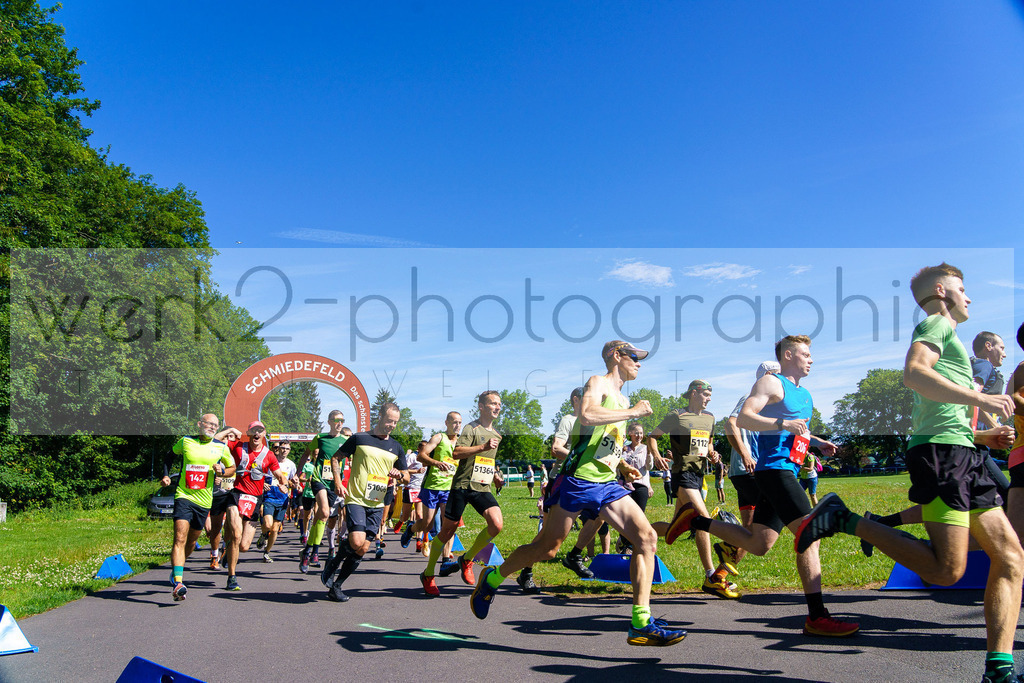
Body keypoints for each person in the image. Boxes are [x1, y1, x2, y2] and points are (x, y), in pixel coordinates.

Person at [796, 265, 1023, 680]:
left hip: (962, 451)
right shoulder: (936, 322)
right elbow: (915, 373)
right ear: (942, 290)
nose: (969, 297)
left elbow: (942, 408)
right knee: (944, 571)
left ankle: (1000, 668)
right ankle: (842, 518)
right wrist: (980, 396)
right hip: (941, 455)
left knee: (1010, 556)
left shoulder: (949, 334)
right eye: (963, 288)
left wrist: (982, 436)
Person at [468, 340, 687, 647]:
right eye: (634, 356)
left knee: (647, 538)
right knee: (548, 549)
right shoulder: (598, 383)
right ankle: (492, 578)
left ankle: (640, 622)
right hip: (578, 482)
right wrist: (632, 411)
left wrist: (622, 465)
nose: (639, 363)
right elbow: (586, 415)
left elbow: (603, 443)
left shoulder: (623, 399)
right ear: (616, 356)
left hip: (607, 484)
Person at [670, 335, 856, 636]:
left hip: (789, 470)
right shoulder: (771, 383)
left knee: (759, 544)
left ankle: (698, 520)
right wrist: (781, 426)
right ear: (788, 354)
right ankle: (817, 616)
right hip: (774, 471)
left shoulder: (804, 394)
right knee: (811, 535)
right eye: (806, 354)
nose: (811, 359)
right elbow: (744, 417)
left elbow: (799, 432)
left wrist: (818, 443)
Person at [647, 379, 737, 599]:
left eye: (710, 396)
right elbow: (652, 437)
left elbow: (708, 443)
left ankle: (633, 535)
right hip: (682, 474)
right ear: (694, 394)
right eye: (706, 395)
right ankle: (711, 576)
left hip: (698, 475)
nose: (708, 400)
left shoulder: (709, 418)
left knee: (675, 529)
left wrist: (713, 453)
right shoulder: (676, 416)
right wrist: (657, 456)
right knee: (703, 520)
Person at [319, 403, 410, 602]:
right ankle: (334, 564)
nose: (391, 425)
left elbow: (406, 476)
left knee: (363, 548)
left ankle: (337, 585)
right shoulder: (360, 438)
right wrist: (336, 482)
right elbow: (336, 458)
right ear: (379, 417)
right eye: (388, 421)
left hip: (377, 502)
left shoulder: (396, 446)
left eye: (395, 422)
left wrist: (399, 475)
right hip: (356, 498)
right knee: (357, 541)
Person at [422, 391, 505, 593]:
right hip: (461, 486)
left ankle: (467, 559)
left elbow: (487, 459)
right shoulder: (470, 428)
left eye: (499, 404)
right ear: (482, 407)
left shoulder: (497, 435)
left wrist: (495, 474)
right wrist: (483, 446)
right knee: (447, 531)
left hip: (481, 487)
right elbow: (457, 453)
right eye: (493, 403)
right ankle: (428, 573)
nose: (497, 407)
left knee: (497, 524)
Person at [716, 361, 780, 579]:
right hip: (749, 469)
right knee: (772, 521)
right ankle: (707, 526)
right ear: (768, 376)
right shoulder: (751, 397)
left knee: (750, 530)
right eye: (776, 376)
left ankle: (719, 576)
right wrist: (745, 453)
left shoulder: (770, 404)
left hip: (745, 471)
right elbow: (729, 425)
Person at [162, 413, 236, 601]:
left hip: (204, 501)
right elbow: (169, 455)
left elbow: (232, 468)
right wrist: (165, 475)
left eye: (215, 425)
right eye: (209, 423)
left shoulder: (220, 447)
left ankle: (176, 569)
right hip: (184, 496)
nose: (212, 427)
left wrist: (223, 471)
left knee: (191, 542)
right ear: (199, 424)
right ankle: (178, 581)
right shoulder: (186, 441)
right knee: (179, 536)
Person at [552, 386, 610, 580]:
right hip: (565, 478)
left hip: (590, 480)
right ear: (577, 399)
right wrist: (581, 458)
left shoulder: (597, 422)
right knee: (552, 540)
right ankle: (525, 570)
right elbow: (556, 448)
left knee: (601, 516)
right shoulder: (569, 420)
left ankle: (575, 554)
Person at [222, 421, 288, 590]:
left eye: (260, 431)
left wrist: (284, 483)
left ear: (264, 434)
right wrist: (230, 429)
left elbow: (280, 475)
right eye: (254, 431)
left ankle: (229, 550)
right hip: (236, 494)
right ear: (249, 433)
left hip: (254, 499)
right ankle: (232, 578)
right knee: (236, 535)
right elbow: (217, 440)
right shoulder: (239, 447)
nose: (257, 434)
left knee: (243, 546)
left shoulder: (269, 455)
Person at [412, 412, 463, 595]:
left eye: (459, 423)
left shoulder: (462, 443)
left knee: (449, 524)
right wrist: (436, 462)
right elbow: (421, 456)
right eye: (454, 422)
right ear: (446, 423)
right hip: (432, 486)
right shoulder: (439, 437)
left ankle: (445, 561)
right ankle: (411, 529)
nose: (457, 425)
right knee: (427, 524)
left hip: (450, 489)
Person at [299, 410, 348, 573]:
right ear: (329, 422)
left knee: (321, 517)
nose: (339, 423)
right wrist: (299, 473)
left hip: (335, 484)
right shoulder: (320, 438)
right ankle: (313, 551)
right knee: (325, 512)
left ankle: (309, 551)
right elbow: (306, 454)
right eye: (336, 420)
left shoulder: (346, 440)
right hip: (318, 479)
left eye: (342, 420)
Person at [616, 421, 654, 553]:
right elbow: (617, 466)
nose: (639, 435)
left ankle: (632, 546)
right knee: (624, 516)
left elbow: (649, 468)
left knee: (638, 517)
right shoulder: (624, 448)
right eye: (636, 433)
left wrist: (650, 453)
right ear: (630, 434)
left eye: (641, 433)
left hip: (641, 485)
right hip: (625, 486)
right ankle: (625, 542)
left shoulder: (645, 448)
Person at [258, 440, 297, 562]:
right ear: (278, 449)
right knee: (268, 524)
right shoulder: (269, 461)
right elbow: (258, 475)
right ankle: (263, 535)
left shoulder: (291, 465)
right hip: (269, 497)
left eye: (287, 449)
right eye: (283, 448)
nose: (285, 450)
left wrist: (291, 485)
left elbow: (292, 482)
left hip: (282, 500)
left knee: (275, 529)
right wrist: (263, 483)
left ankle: (267, 552)